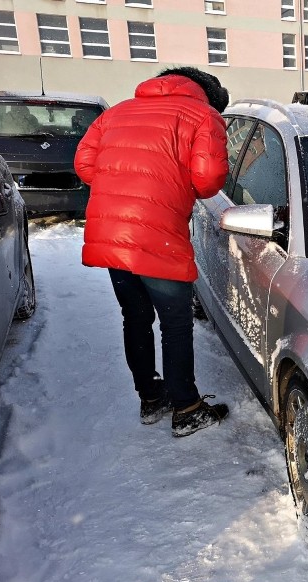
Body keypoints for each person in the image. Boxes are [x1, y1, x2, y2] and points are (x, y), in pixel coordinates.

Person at [74, 67, 230, 437]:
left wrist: (127, 181)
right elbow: (208, 181)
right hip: (158, 233)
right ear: (206, 95)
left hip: (113, 233)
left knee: (136, 317)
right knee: (175, 324)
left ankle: (150, 398)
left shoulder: (116, 113)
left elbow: (84, 166)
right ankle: (187, 408)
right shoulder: (203, 116)